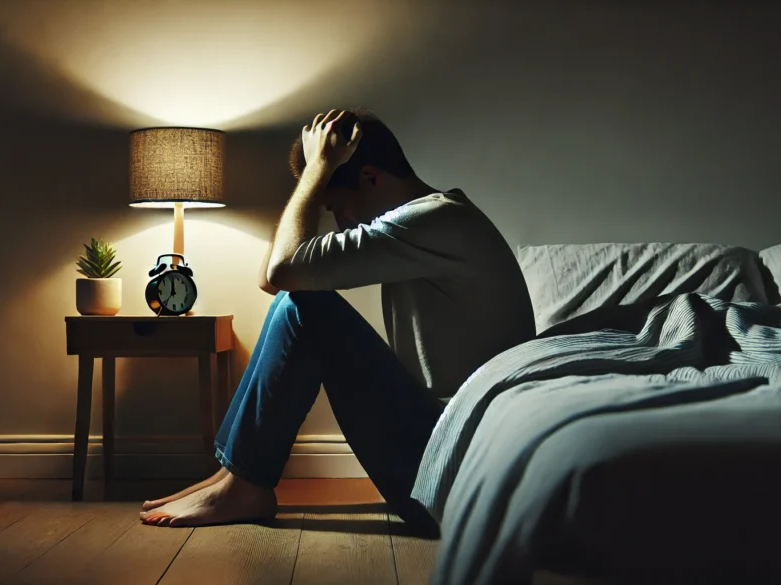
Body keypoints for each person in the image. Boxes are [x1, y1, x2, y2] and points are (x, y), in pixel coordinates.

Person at [139, 108, 535, 529]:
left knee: (309, 306)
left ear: (370, 176)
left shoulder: (433, 221)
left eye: (338, 207)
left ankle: (244, 485)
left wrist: (317, 172)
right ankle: (233, 476)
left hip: (457, 476)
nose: (340, 222)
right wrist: (315, 173)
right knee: (299, 300)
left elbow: (283, 271)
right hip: (445, 454)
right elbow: (272, 278)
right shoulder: (432, 220)